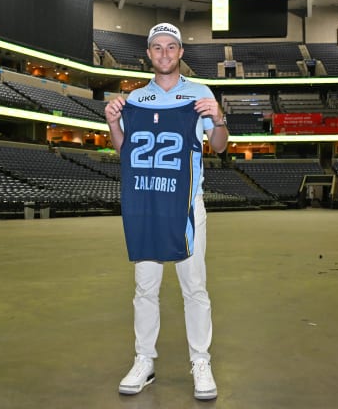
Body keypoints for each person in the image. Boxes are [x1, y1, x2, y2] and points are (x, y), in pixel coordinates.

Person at [105, 22, 229, 400]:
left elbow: (220, 147)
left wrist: (219, 117)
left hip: (186, 205)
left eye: (170, 48)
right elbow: (123, 150)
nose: (163, 54)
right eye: (156, 48)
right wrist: (112, 122)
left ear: (180, 53)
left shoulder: (199, 94)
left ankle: (201, 361)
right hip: (147, 203)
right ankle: (145, 360)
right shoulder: (134, 100)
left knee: (194, 287)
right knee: (145, 287)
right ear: (148, 54)